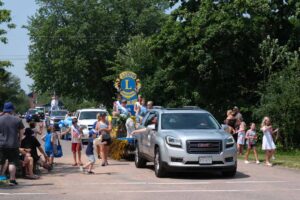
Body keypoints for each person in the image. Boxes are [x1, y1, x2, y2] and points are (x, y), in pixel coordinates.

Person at [0, 102, 25, 186]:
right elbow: (22, 131)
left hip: (1, 144)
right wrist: (20, 140)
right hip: (13, 144)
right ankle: (12, 180)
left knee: (0, 162)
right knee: (12, 162)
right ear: (12, 110)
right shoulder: (17, 119)